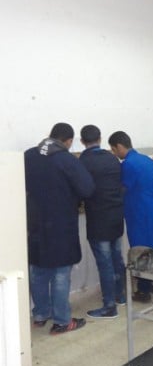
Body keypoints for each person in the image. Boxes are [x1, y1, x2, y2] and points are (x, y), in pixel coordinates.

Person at [25, 122, 95, 334]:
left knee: (38, 271)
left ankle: (40, 314)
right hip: (61, 224)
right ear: (69, 141)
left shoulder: (29, 155)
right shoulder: (66, 159)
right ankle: (62, 321)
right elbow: (88, 189)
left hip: (35, 223)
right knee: (61, 274)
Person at [108, 131, 153, 302]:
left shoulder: (128, 164)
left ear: (119, 146)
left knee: (142, 250)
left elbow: (123, 188)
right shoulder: (146, 160)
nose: (115, 154)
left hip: (142, 212)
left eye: (114, 150)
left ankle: (143, 291)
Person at [79, 125, 126, 319]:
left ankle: (109, 306)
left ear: (82, 141)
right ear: (100, 139)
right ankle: (120, 295)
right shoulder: (112, 158)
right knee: (117, 258)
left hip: (99, 220)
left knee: (105, 263)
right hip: (116, 216)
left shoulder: (83, 161)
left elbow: (82, 189)